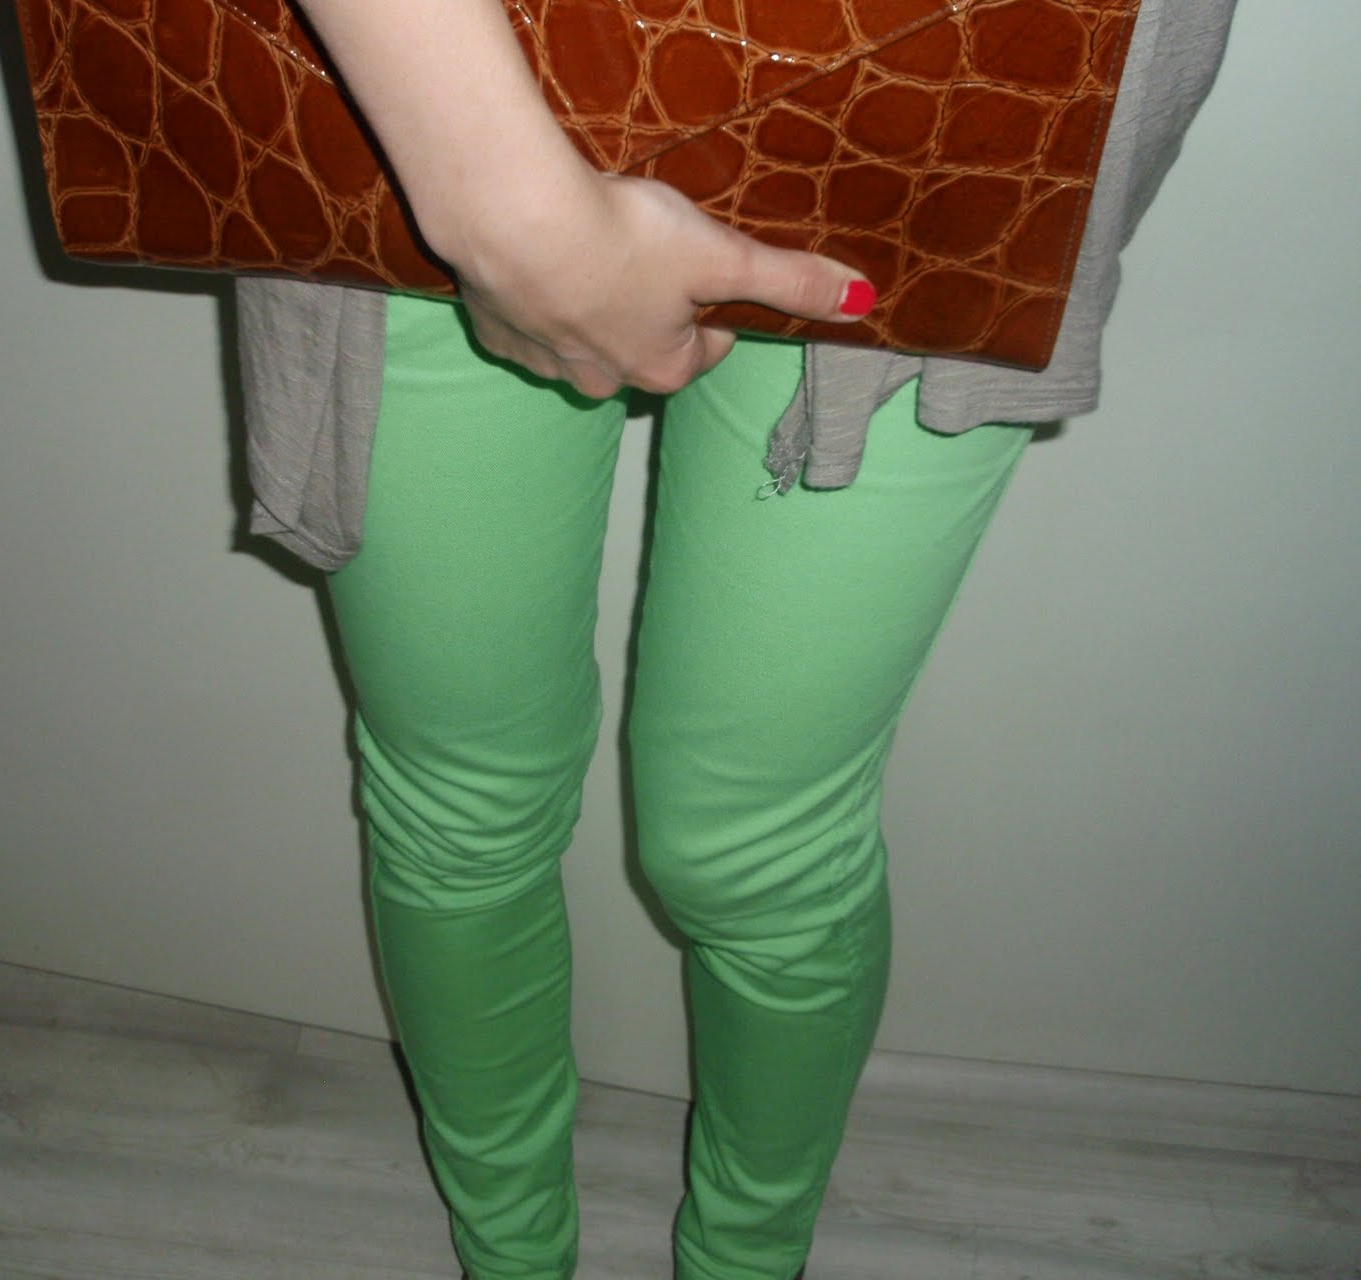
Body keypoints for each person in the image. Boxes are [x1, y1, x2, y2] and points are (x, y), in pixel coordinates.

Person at [236, 2, 1239, 1276]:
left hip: (958, 86)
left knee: (756, 851)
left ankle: (746, 1261)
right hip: (417, 84)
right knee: (461, 805)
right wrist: (493, 190)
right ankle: (509, 1256)